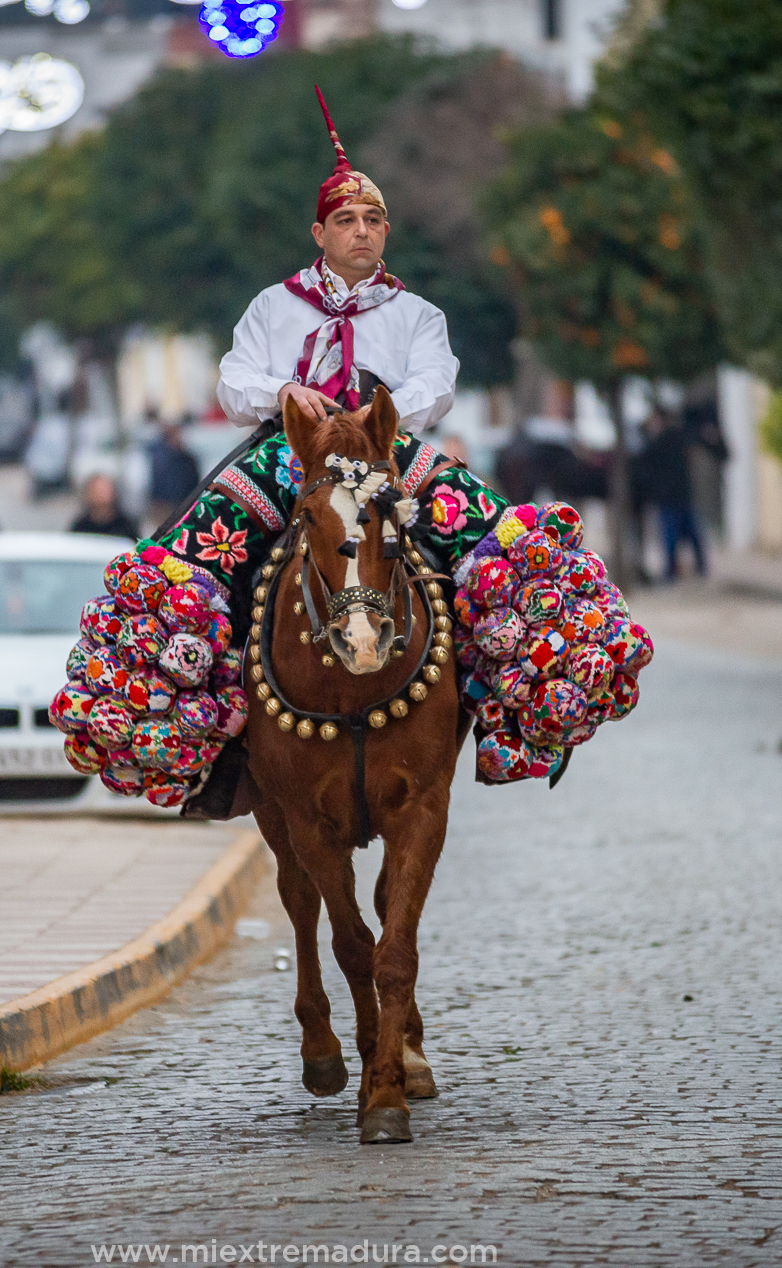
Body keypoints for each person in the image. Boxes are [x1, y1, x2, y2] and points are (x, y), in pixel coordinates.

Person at [160, 88, 509, 816]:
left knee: (495, 547)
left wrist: (375, 419)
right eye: (346, 221)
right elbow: (233, 381)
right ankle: (208, 726)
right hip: (291, 454)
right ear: (318, 233)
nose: (361, 231)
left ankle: (498, 694)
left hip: (388, 451)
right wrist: (287, 393)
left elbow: (436, 383)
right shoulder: (272, 305)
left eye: (373, 220)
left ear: (387, 232)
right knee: (194, 555)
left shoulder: (417, 314)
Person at [640, 407, 727, 580]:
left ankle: (681, 569)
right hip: (672, 496)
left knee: (682, 535)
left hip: (676, 496)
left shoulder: (667, 439)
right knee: (681, 535)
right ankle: (683, 569)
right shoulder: (662, 440)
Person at [145, 419, 201, 532]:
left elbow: (195, 481)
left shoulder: (188, 458)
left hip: (184, 505)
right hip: (162, 506)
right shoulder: (157, 456)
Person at [69, 473, 140, 540]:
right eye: (96, 491)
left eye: (104, 491)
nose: (100, 496)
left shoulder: (126, 526)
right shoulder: (80, 526)